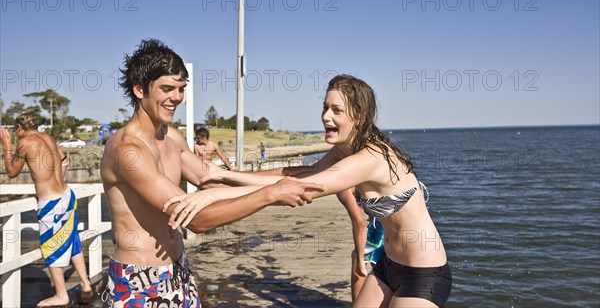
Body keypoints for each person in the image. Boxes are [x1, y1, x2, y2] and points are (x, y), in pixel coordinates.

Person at [166, 74, 452, 307]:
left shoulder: (370, 157)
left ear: (361, 115)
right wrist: (225, 176)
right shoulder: (343, 151)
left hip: (423, 273)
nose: (326, 116)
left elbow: (302, 188)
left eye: (337, 110)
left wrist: (215, 193)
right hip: (388, 266)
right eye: (325, 107)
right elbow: (296, 174)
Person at [100, 39, 323, 308]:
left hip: (179, 271)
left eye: (181, 89)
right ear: (139, 89)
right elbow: (196, 219)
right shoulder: (127, 151)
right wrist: (270, 194)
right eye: (167, 89)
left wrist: (312, 172)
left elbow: (214, 177)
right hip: (140, 281)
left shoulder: (171, 137)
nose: (176, 98)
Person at [0, 112, 92, 307]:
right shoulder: (48, 138)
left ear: (19, 128)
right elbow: (64, 160)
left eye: (15, 132)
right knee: (71, 240)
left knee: (51, 246)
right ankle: (85, 283)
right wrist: (57, 180)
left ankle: (61, 295)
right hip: (66, 195)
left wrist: (6, 145)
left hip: (51, 203)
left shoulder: (25, 143)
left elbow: (11, 172)